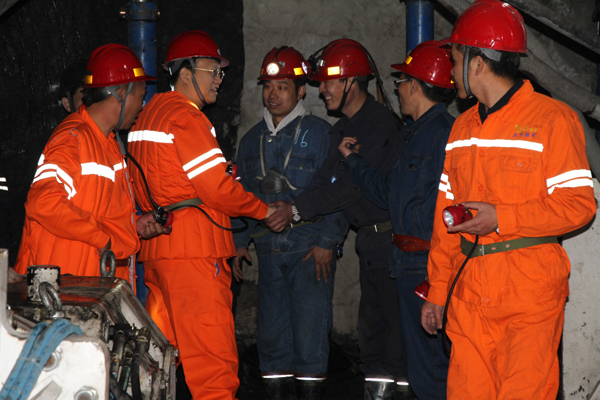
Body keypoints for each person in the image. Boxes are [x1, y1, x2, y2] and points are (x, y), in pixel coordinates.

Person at [419, 1, 596, 399]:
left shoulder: (553, 119)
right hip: (469, 293)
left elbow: (579, 205)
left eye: (455, 59)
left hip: (529, 296)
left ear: (478, 62)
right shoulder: (461, 128)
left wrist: (502, 217)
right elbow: (445, 218)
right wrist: (438, 291)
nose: (450, 70)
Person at [126, 31, 275, 400]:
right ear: (185, 72)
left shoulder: (147, 116)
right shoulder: (186, 117)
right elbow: (217, 189)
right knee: (213, 368)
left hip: (160, 254)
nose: (219, 80)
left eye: (221, 73)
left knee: (158, 364)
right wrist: (265, 210)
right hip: (194, 255)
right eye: (213, 70)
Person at [265, 39, 406, 400]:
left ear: (351, 82)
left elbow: (347, 189)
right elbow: (325, 180)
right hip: (370, 243)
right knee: (372, 337)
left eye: (329, 82)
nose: (322, 89)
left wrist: (296, 211)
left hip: (394, 244)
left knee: (396, 340)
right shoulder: (343, 128)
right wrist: (293, 207)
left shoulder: (379, 126)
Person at [339, 40, 455, 400]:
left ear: (416, 86)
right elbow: (389, 193)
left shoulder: (444, 134)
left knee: (433, 366)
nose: (397, 88)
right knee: (421, 365)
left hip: (427, 265)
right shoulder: (415, 135)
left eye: (402, 81)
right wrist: (353, 161)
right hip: (407, 263)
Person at [232, 46, 348, 400]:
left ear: (301, 92)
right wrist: (239, 243)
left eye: (282, 86)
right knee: (271, 341)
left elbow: (340, 190)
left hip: (309, 249)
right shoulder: (250, 141)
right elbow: (241, 195)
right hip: (268, 250)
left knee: (310, 339)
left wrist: (328, 241)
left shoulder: (323, 134)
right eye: (268, 86)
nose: (273, 94)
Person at [14, 44, 168, 282]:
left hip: (88, 284)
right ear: (122, 93)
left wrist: (132, 227)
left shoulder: (107, 144)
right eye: (141, 95)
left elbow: (100, 214)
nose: (142, 105)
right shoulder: (72, 138)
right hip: (61, 287)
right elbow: (43, 203)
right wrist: (102, 240)